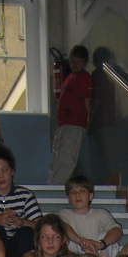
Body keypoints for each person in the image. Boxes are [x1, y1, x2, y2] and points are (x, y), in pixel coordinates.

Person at [0, 145, 42, 257]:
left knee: (26, 232)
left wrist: (22, 222)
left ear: (12, 170)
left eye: (5, 170)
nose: (1, 176)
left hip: (18, 250)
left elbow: (41, 226)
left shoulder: (25, 195)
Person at [48, 45, 92, 184]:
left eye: (79, 61)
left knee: (66, 158)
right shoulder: (70, 77)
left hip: (75, 123)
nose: (75, 64)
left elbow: (87, 102)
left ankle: (55, 187)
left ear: (85, 62)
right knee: (57, 156)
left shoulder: (84, 78)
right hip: (64, 124)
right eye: (73, 61)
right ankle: (52, 184)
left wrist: (87, 122)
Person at [58, 174, 123, 257]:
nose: (77, 195)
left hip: (98, 251)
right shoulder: (64, 213)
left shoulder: (100, 213)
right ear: (68, 198)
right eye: (73, 192)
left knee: (105, 236)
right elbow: (64, 227)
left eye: (82, 191)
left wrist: (100, 245)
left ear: (90, 196)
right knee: (63, 236)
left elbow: (117, 231)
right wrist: (81, 242)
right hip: (77, 254)